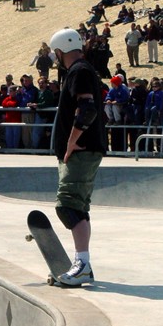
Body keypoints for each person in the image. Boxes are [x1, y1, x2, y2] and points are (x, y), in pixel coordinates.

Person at [48, 28, 107, 286]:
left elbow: (87, 109)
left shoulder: (80, 71)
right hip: (82, 150)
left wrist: (72, 142)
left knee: (69, 206)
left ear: (60, 52)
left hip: (81, 151)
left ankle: (82, 265)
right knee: (79, 207)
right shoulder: (81, 70)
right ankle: (82, 263)